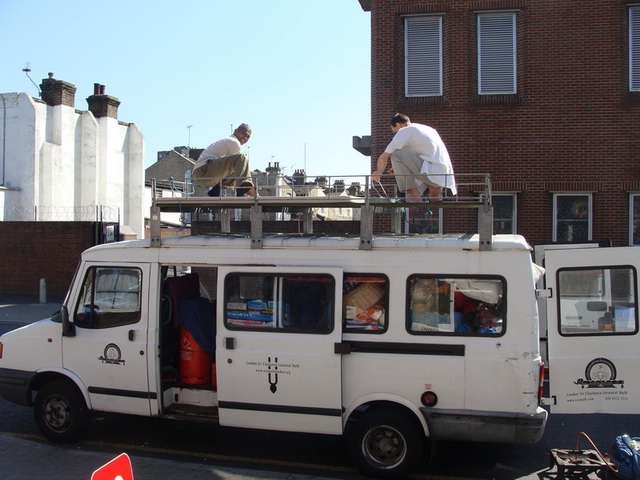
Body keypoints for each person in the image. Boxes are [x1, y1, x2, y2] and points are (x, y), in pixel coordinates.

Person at [372, 113, 457, 201]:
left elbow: (385, 156)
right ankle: (433, 198)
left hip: (430, 173)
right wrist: (397, 167)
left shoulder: (404, 130)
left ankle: (414, 194)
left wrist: (378, 173)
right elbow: (421, 151)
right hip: (443, 175)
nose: (396, 134)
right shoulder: (426, 129)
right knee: (432, 199)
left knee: (395, 154)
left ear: (398, 125)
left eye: (395, 131)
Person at [192, 124, 255, 196]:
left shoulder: (230, 141)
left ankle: (215, 190)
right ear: (236, 131)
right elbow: (240, 165)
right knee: (242, 158)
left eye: (247, 137)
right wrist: (250, 188)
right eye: (243, 134)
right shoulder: (234, 141)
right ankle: (242, 191)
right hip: (203, 171)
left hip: (203, 174)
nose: (244, 138)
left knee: (240, 169)